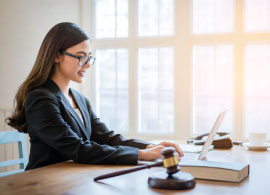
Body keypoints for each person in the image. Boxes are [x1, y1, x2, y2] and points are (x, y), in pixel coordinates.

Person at [6, 22, 183, 170]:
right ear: (57, 56)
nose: (88, 65)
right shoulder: (40, 99)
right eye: (81, 57)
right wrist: (141, 155)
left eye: (89, 57)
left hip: (73, 178)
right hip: (43, 184)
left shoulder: (79, 99)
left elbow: (106, 138)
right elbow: (78, 148)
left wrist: (148, 146)